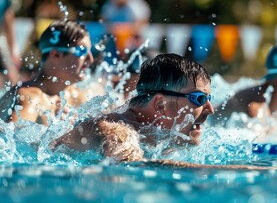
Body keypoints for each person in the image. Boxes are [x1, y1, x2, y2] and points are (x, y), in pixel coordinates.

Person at [53, 53, 215, 162]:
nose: (210, 109)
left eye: (209, 98)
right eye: (199, 99)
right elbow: (130, 168)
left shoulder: (157, 137)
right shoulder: (119, 130)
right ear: (160, 104)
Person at [0, 20, 94, 125]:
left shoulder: (76, 95)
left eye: (90, 51)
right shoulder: (29, 99)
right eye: (82, 51)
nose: (91, 59)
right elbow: (13, 138)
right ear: (55, 54)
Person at [100, 0, 151, 65]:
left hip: (134, 42)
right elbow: (103, 23)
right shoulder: (110, 4)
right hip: (114, 43)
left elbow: (141, 24)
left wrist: (122, 30)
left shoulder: (136, 3)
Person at [0, 0, 21, 87]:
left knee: (12, 74)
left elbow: (8, 18)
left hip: (0, 38)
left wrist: (13, 49)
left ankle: (13, 99)